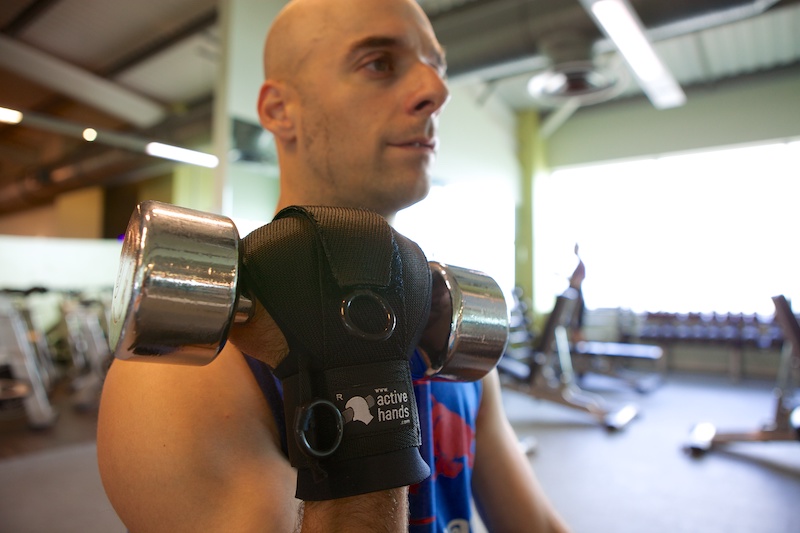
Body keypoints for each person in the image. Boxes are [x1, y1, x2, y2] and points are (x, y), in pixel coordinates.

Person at [97, 1, 570, 531]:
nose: (436, 91)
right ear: (279, 110)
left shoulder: (446, 327)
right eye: (379, 63)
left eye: (436, 66)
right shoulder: (189, 370)